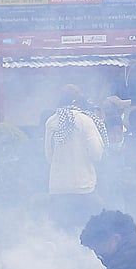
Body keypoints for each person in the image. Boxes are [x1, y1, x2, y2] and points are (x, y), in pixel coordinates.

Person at [44, 84, 106, 230]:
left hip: (58, 188)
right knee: (87, 231)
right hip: (83, 189)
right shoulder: (86, 121)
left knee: (60, 233)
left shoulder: (51, 121)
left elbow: (48, 157)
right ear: (78, 102)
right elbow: (97, 154)